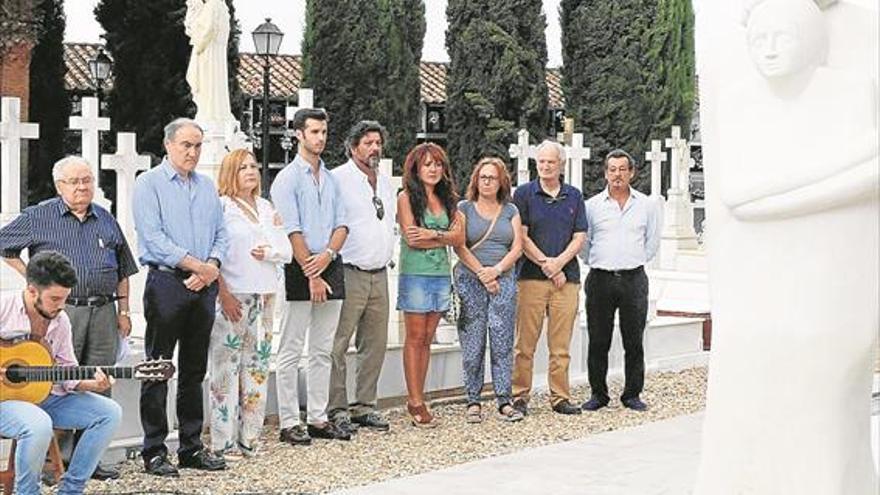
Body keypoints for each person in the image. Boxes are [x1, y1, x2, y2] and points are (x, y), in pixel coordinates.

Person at [0, 155, 138, 480]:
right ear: (59, 185)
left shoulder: (105, 218)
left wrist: (125, 309)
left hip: (103, 308)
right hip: (64, 307)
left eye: (87, 180)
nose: (82, 187)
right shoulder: (39, 216)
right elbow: (3, 244)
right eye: (75, 182)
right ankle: (52, 461)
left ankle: (87, 463)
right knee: (46, 381)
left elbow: (123, 267)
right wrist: (35, 282)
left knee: (94, 382)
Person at [132, 117, 229, 476]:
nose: (192, 152)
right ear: (168, 145)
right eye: (186, 145)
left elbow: (222, 233)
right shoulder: (149, 184)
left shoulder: (206, 187)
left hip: (203, 288)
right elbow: (153, 238)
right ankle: (154, 450)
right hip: (168, 284)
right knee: (157, 367)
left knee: (194, 369)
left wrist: (211, 266)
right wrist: (198, 267)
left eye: (197, 146)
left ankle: (191, 447)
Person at [0, 251, 122, 495]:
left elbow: (68, 371)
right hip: (5, 401)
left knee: (109, 412)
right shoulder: (3, 307)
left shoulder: (61, 321)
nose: (61, 306)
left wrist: (91, 385)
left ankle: (71, 489)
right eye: (55, 298)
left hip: (45, 397)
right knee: (38, 423)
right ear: (33, 290)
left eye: (65, 298)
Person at [271, 108, 351, 445]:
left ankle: (318, 417)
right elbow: (292, 229)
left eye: (323, 131)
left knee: (322, 348)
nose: (320, 137)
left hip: (330, 262)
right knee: (290, 348)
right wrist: (311, 274)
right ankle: (290, 421)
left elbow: (342, 224)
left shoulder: (331, 179)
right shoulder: (287, 179)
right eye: (314, 132)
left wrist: (329, 256)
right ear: (299, 134)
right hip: (298, 266)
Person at [208, 149, 291, 460]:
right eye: (243, 167)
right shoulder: (222, 207)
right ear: (231, 172)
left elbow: (285, 250)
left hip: (265, 295)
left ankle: (250, 439)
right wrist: (223, 292)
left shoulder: (267, 207)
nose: (251, 171)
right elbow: (214, 253)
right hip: (234, 295)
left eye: (254, 166)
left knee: (257, 369)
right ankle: (222, 442)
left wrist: (270, 252)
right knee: (224, 370)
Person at [327, 121, 396, 434]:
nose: (374, 148)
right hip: (348, 270)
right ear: (353, 147)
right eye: (368, 142)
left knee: (375, 344)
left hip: (379, 273)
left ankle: (364, 405)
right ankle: (336, 408)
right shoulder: (338, 179)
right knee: (338, 343)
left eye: (378, 142)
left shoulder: (384, 182)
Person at [581, 149, 661, 412]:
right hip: (601, 279)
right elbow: (585, 243)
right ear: (605, 173)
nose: (617, 174)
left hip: (633, 279)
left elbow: (651, 242)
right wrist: (597, 261)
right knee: (598, 339)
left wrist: (633, 260)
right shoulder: (592, 206)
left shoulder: (647, 205)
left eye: (622, 169)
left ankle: (632, 394)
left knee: (634, 340)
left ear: (631, 173)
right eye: (612, 169)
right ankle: (598, 394)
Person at [511, 140, 587, 416]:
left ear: (561, 165)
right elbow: (522, 235)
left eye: (550, 162)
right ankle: (519, 395)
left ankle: (560, 397)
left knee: (561, 344)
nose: (545, 166)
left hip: (567, 280)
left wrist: (559, 265)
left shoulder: (574, 196)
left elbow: (579, 236)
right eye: (541, 161)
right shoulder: (524, 194)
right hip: (531, 277)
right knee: (525, 344)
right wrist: (546, 264)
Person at [397, 143, 464, 428]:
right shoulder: (406, 197)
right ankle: (414, 400)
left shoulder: (448, 199)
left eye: (437, 164)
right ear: (416, 168)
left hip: (439, 275)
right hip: (415, 274)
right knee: (414, 337)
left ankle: (420, 395)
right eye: (427, 164)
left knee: (428, 337)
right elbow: (412, 239)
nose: (433, 169)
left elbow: (459, 238)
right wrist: (443, 235)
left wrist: (431, 234)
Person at [452, 157, 524, 423]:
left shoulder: (510, 211)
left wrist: (496, 271)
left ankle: (504, 399)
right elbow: (459, 245)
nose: (487, 182)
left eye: (492, 177)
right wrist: (482, 273)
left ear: (501, 181)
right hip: (471, 279)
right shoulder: (464, 208)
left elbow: (517, 246)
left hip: (502, 279)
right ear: (475, 180)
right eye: (483, 177)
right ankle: (473, 399)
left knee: (502, 339)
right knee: (472, 340)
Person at [184, 0, 234, 124]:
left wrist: (197, 43)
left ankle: (210, 115)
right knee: (214, 84)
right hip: (215, 52)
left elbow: (206, 30)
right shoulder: (222, 7)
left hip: (208, 53)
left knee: (207, 83)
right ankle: (214, 114)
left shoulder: (212, 6)